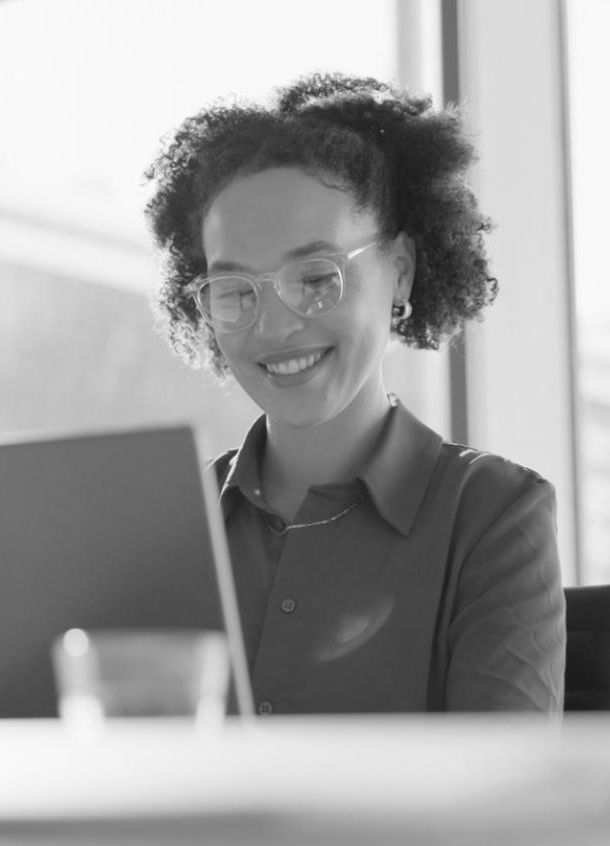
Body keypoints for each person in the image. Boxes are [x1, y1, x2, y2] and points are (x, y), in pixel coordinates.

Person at [144, 72, 565, 714]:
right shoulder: (169, 529)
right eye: (235, 290)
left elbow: (502, 777)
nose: (274, 326)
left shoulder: (493, 517)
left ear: (401, 271)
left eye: (315, 278)